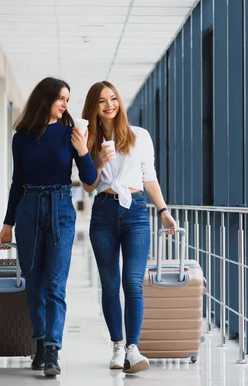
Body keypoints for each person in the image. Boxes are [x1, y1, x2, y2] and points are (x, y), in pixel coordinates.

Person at [0, 77, 97, 377]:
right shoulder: (22, 138)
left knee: (55, 283)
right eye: (61, 98)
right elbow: (17, 183)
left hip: (61, 210)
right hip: (29, 208)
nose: (66, 104)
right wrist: (7, 223)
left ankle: (52, 350)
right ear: (46, 99)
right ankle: (40, 343)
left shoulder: (71, 134)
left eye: (68, 99)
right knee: (34, 282)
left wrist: (82, 149)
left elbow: (90, 179)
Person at [82, 81, 176, 374]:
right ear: (94, 107)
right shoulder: (88, 141)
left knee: (133, 282)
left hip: (135, 211)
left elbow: (149, 176)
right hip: (103, 213)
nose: (109, 104)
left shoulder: (139, 136)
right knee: (110, 284)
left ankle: (134, 349)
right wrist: (97, 162)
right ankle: (117, 345)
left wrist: (163, 211)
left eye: (113, 98)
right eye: (101, 101)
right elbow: (88, 187)